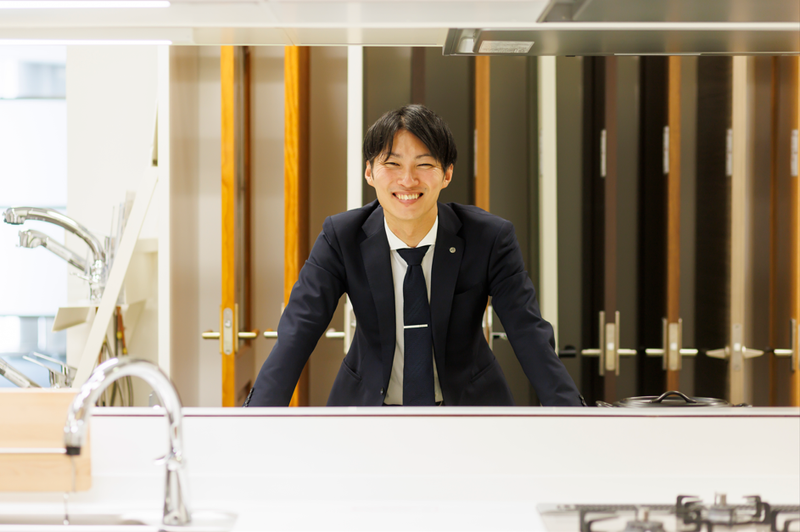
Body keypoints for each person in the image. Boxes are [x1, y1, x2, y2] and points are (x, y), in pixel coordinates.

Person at [245, 104, 582, 407]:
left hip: (469, 411)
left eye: (424, 164)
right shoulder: (341, 237)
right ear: (369, 172)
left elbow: (528, 333)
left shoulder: (489, 238)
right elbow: (299, 329)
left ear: (447, 174)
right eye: (392, 164)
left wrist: (574, 418)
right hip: (368, 411)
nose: (407, 180)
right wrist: (255, 420)